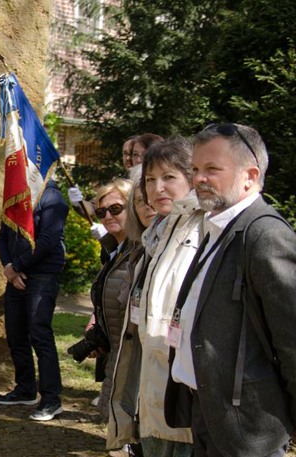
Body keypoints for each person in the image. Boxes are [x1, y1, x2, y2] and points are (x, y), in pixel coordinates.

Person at [164, 124, 296, 457]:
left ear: (249, 176)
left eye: (212, 169)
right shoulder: (217, 227)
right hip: (208, 412)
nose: (198, 179)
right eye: (195, 169)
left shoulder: (265, 235)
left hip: (248, 429)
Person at [133, 139, 202, 456]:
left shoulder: (202, 228)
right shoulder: (157, 232)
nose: (157, 187)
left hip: (184, 393)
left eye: (168, 177)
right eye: (150, 179)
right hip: (153, 384)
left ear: (191, 178)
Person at [0, 177, 69, 421]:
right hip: (16, 274)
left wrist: (17, 266)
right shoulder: (18, 195)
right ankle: (25, 389)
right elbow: (3, 236)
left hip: (42, 275)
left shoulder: (52, 197)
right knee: (16, 334)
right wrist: (9, 267)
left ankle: (51, 399)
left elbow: (48, 241)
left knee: (40, 334)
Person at [82, 178, 143, 422]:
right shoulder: (113, 249)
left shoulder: (141, 250)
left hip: (134, 361)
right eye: (101, 211)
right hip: (116, 355)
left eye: (116, 208)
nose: (107, 216)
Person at [106, 165, 155, 455]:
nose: (146, 205)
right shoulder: (141, 248)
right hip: (132, 352)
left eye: (115, 208)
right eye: (139, 201)